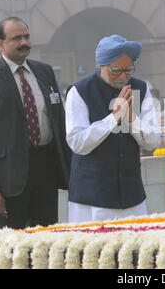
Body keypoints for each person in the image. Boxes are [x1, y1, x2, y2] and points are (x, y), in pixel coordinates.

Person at [0, 17, 71, 231]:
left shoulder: (45, 72)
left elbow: (59, 123)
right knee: (12, 246)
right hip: (8, 179)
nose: (24, 42)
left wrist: (70, 170)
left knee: (47, 239)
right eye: (16, 38)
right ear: (0, 44)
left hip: (46, 171)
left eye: (26, 36)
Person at [65, 35, 160, 222]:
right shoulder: (79, 91)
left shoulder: (141, 88)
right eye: (117, 70)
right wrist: (114, 117)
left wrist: (131, 118)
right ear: (102, 66)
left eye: (129, 70)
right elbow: (77, 143)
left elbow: (153, 141)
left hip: (131, 195)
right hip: (91, 198)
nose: (124, 76)